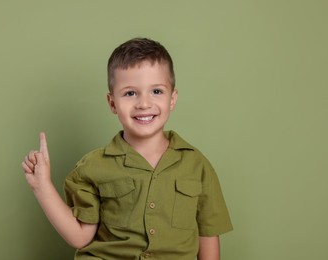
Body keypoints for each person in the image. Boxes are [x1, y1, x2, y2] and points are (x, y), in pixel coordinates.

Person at [22, 38, 233, 260]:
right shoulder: (92, 167)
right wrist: (42, 186)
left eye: (157, 91)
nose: (144, 103)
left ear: (173, 98)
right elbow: (80, 237)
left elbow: (208, 238)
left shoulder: (197, 166)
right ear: (112, 103)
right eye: (130, 93)